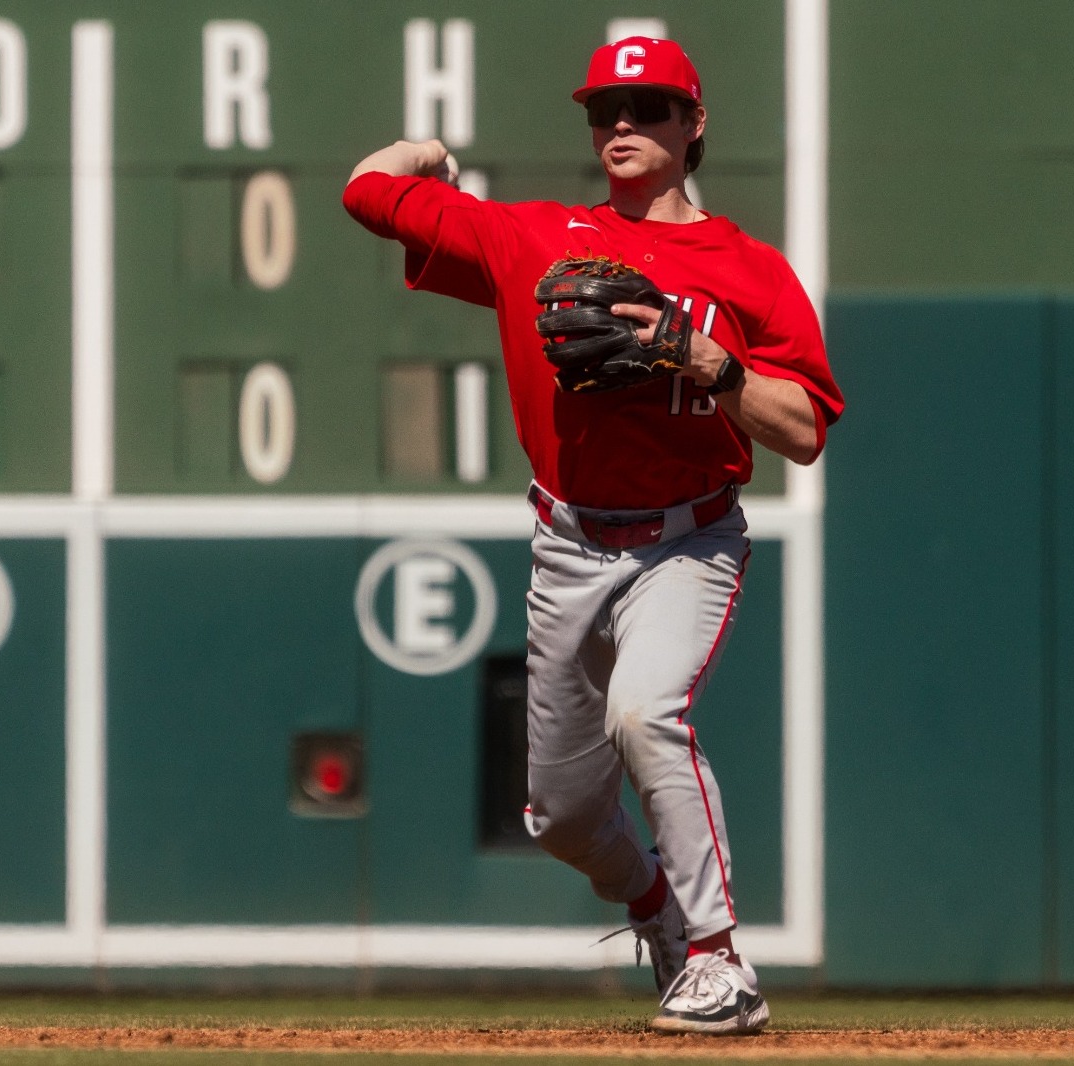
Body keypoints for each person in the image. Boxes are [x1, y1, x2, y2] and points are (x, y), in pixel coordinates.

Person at [343, 35, 843, 1035]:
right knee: (562, 817)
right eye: (604, 110)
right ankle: (656, 907)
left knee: (646, 712)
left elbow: (804, 432)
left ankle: (719, 962)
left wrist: (713, 361)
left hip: (685, 542)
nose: (622, 123)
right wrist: (427, 151)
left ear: (693, 124)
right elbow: (366, 191)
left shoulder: (749, 272)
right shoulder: (535, 237)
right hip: (567, 544)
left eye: (650, 106)